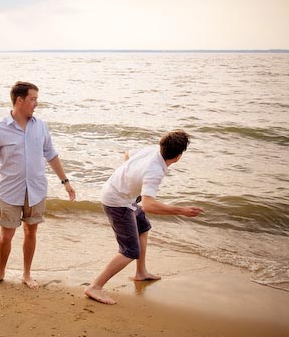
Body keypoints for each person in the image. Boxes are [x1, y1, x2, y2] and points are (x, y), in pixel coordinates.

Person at [0, 81, 76, 289]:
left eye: (36, 99)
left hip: (36, 190)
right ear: (19, 100)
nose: (36, 103)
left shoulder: (41, 126)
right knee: (6, 236)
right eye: (33, 99)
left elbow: (51, 155)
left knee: (31, 232)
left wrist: (65, 182)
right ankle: (0, 272)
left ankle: (27, 274)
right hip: (10, 191)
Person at [84, 130, 203, 304]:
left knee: (143, 227)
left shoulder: (153, 150)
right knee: (129, 251)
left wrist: (131, 181)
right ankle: (95, 286)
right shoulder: (155, 171)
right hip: (117, 202)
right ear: (178, 157)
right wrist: (182, 210)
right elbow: (149, 205)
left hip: (121, 195)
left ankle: (141, 273)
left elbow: (128, 155)